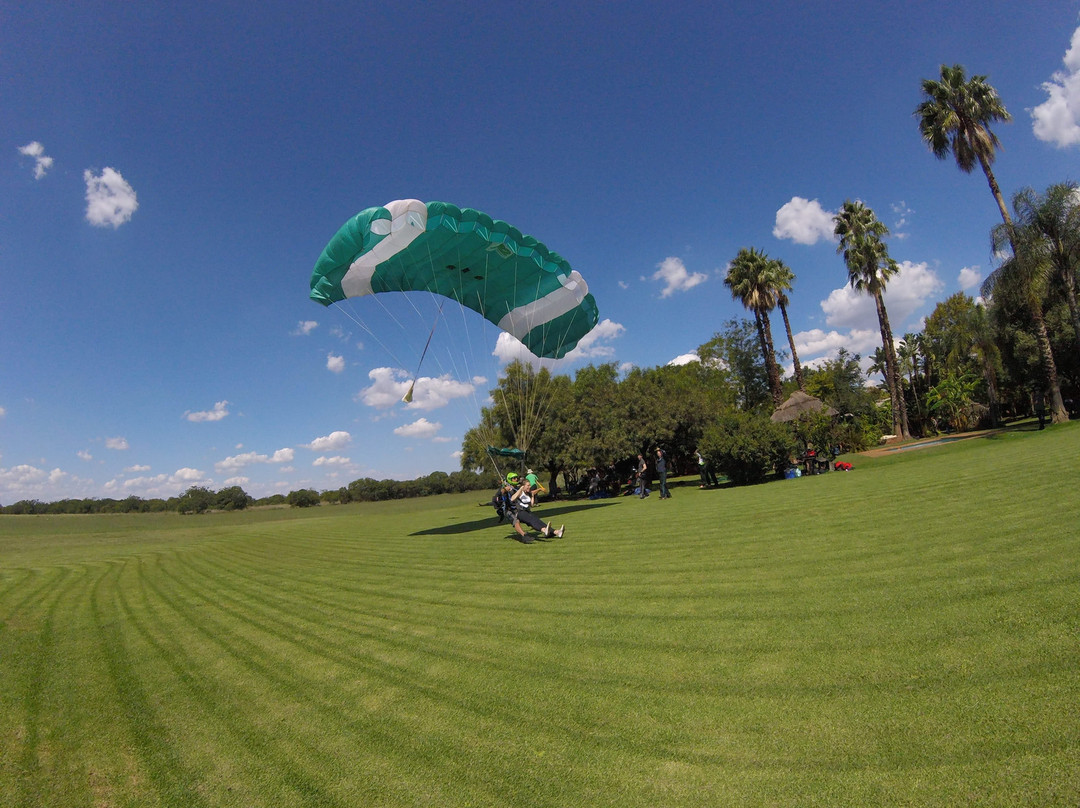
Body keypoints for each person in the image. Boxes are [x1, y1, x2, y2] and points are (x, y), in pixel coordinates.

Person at [508, 473, 563, 543]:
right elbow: (512, 499)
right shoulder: (520, 492)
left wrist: (533, 495)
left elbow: (531, 504)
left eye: (530, 485)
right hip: (520, 512)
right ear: (523, 486)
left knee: (538, 521)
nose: (530, 486)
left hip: (527, 511)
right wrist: (520, 489)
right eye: (528, 485)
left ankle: (557, 532)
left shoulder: (528, 493)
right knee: (532, 521)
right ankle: (544, 530)